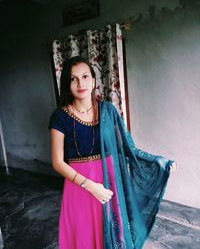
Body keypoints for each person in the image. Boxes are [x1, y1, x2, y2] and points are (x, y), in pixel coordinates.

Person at [48, 56, 176, 249]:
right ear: (67, 84)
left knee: (113, 234)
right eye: (73, 79)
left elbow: (128, 148)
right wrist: (89, 185)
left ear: (93, 81)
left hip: (110, 181)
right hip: (79, 185)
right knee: (84, 236)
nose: (80, 83)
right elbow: (57, 162)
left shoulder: (108, 110)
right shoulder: (60, 117)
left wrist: (158, 161)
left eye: (84, 76)